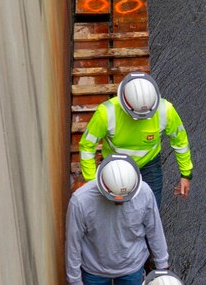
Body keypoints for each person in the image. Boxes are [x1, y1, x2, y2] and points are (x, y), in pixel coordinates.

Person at [66, 154, 169, 285]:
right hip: (94, 270)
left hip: (132, 268)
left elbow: (155, 230)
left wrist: (162, 267)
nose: (120, 203)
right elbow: (73, 242)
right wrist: (75, 281)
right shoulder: (80, 202)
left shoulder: (144, 193)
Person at [78, 71, 194, 208]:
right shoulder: (106, 114)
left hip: (149, 166)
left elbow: (180, 141)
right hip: (115, 170)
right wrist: (93, 183)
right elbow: (87, 146)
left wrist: (186, 174)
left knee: (151, 211)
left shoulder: (165, 111)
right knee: (115, 215)